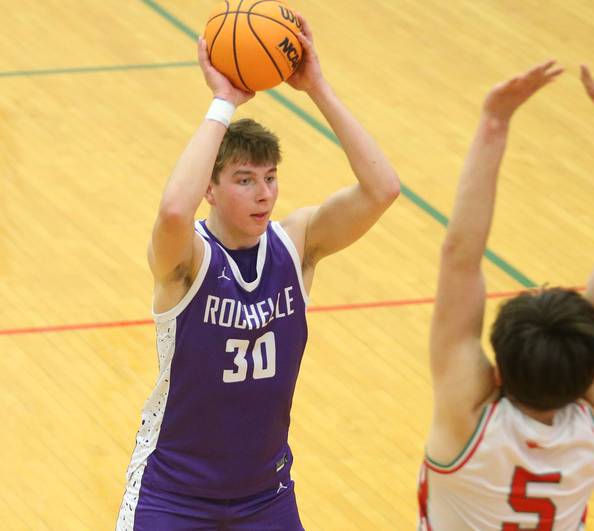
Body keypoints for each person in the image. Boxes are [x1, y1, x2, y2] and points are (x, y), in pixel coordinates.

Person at [117, 13, 400, 530]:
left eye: (269, 178)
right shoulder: (187, 263)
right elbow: (174, 213)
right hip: (173, 496)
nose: (264, 192)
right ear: (210, 187)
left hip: (264, 497)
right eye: (244, 180)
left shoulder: (298, 246)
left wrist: (317, 87)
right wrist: (223, 102)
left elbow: (383, 189)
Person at [418, 46, 594, 530]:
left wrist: (494, 123)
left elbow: (460, 259)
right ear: (592, 370)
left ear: (498, 374)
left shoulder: (470, 418)